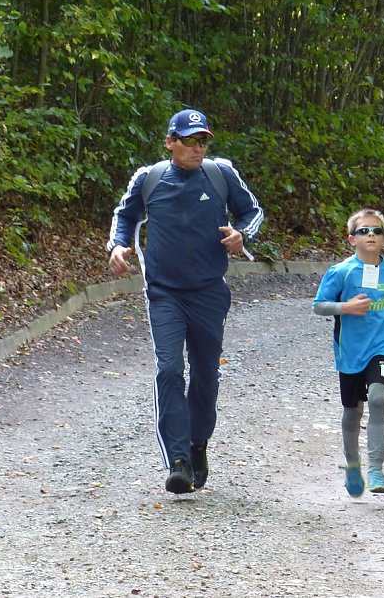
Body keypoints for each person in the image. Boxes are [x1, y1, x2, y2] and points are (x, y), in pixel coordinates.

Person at [106, 108, 264, 494]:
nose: (197, 148)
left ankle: (197, 444)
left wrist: (242, 235)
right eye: (190, 141)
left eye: (203, 141)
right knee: (169, 369)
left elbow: (252, 212)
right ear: (170, 142)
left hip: (210, 292)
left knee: (206, 374)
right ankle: (177, 459)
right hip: (164, 293)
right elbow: (124, 216)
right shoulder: (150, 178)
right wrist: (117, 246)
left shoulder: (221, 173)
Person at [312, 208, 384, 497]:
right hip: (351, 351)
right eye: (364, 230)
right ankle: (353, 463)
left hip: (382, 345)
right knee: (353, 412)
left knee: (378, 397)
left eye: (377, 231)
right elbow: (319, 305)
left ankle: (376, 468)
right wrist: (346, 308)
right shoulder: (341, 272)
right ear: (351, 238)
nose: (371, 235)